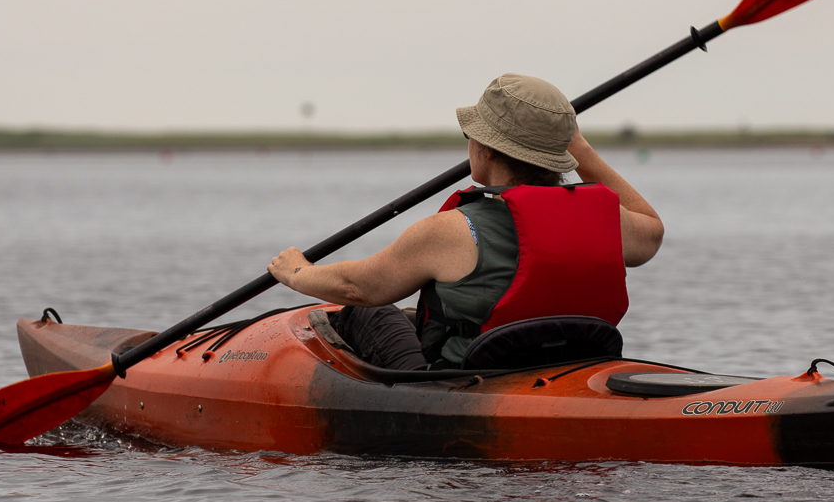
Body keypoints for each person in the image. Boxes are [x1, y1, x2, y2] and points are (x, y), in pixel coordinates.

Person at [267, 73, 663, 370]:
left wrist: (298, 272)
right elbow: (652, 230)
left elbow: (357, 287)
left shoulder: (450, 231)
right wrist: (579, 148)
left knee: (368, 312)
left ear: (487, 150)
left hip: (469, 381)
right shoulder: (608, 221)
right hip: (571, 367)